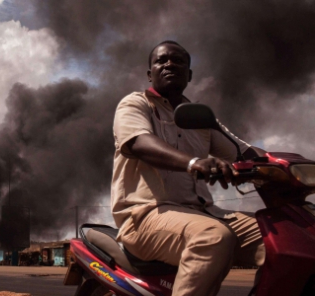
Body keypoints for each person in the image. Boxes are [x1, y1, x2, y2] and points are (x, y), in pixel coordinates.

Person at [112, 40, 266, 296]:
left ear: (190, 74)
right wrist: (194, 162)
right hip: (144, 216)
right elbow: (140, 142)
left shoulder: (200, 117)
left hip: (205, 212)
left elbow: (242, 151)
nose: (170, 64)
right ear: (150, 73)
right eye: (161, 60)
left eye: (178, 60)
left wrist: (285, 165)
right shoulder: (135, 104)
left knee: (277, 236)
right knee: (213, 237)